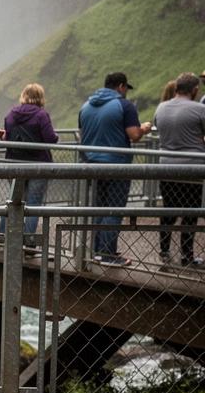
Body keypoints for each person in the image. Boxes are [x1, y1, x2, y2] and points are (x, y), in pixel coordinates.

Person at [77, 72, 153, 266]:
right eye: (126, 88)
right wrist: (144, 128)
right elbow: (134, 135)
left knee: (99, 209)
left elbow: (82, 134)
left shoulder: (85, 106)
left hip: (91, 166)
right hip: (117, 165)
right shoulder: (124, 106)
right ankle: (108, 254)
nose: (126, 92)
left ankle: (97, 251)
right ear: (120, 86)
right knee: (114, 210)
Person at [0, 83, 59, 250]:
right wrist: (55, 135)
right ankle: (28, 242)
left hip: (14, 165)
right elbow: (50, 139)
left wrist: (5, 137)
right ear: (40, 97)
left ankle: (3, 235)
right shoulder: (41, 115)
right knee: (33, 203)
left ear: (23, 96)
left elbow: (11, 140)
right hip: (38, 165)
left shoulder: (11, 115)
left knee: (13, 201)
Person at [153, 72, 205, 268]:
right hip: (192, 170)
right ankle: (187, 255)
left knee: (168, 210)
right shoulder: (199, 109)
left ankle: (164, 251)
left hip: (166, 167)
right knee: (190, 213)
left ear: (176, 88)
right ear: (194, 90)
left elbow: (158, 128)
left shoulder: (161, 107)